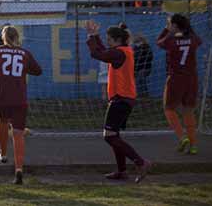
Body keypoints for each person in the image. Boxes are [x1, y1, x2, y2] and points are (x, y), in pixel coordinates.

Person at [86, 21, 151, 182]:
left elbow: (98, 54)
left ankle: (140, 162)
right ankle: (122, 171)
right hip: (124, 98)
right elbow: (104, 51)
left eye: (108, 39)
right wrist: (94, 36)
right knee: (115, 135)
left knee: (109, 136)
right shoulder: (122, 50)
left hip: (121, 99)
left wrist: (91, 38)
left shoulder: (119, 53)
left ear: (116, 40)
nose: (107, 41)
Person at [0, 26, 42, 184]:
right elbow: (38, 71)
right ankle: (19, 170)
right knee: (18, 133)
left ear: (4, 38)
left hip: (2, 95)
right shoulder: (25, 53)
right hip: (19, 97)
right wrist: (23, 70)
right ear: (17, 37)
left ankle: (3, 153)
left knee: (2, 121)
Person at [157, 14, 202, 155]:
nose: (168, 25)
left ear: (175, 26)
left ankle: (183, 138)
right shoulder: (193, 39)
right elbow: (197, 40)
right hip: (192, 78)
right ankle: (193, 145)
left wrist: (167, 31)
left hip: (176, 78)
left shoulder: (171, 40)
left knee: (169, 108)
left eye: (169, 23)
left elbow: (159, 42)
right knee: (188, 110)